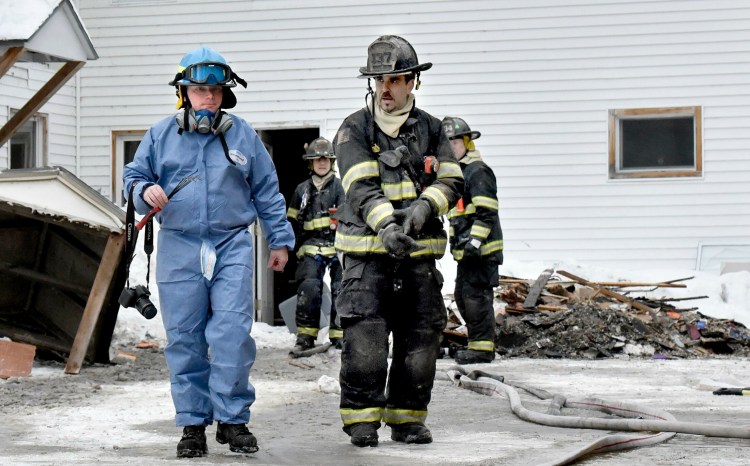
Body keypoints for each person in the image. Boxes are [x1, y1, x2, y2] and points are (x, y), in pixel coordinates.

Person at [123, 46, 294, 458]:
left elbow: (267, 191)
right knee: (184, 337)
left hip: (232, 241)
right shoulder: (160, 134)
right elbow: (133, 176)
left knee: (232, 333)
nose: (210, 98)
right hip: (179, 245)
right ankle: (193, 424)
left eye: (217, 90)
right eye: (200, 89)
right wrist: (144, 190)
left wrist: (280, 239)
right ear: (184, 93)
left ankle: (233, 420)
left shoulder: (243, 135)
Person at [332, 35, 464, 447]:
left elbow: (453, 179)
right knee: (365, 340)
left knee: (420, 339)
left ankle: (407, 420)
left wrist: (424, 208)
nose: (385, 90)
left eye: (394, 80)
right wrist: (388, 226)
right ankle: (361, 421)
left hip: (419, 257)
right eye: (378, 81)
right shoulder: (354, 128)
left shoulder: (432, 128)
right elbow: (360, 187)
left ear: (412, 82)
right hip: (366, 257)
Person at [443, 116, 504, 364]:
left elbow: (486, 212)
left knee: (476, 298)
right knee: (462, 297)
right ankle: (476, 343)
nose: (451, 148)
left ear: (467, 142)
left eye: (455, 142)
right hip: (467, 252)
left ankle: (482, 350)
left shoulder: (477, 171)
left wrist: (474, 243)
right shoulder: (459, 173)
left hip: (481, 251)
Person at [286, 137, 345, 353]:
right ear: (310, 163)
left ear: (332, 162)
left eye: (326, 159)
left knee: (342, 288)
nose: (322, 163)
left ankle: (340, 335)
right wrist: (289, 248)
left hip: (338, 245)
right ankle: (305, 336)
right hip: (310, 247)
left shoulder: (340, 187)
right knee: (309, 288)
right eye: (317, 159)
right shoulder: (302, 190)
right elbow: (291, 222)